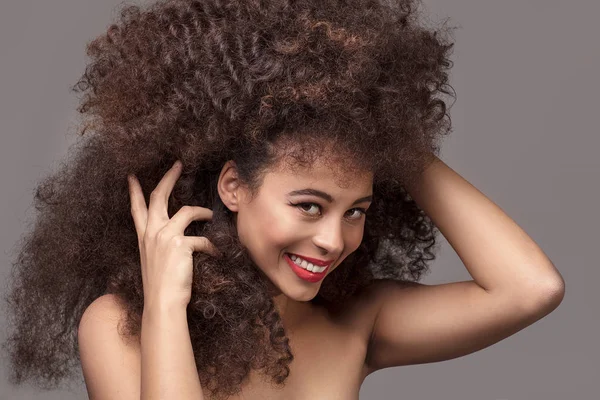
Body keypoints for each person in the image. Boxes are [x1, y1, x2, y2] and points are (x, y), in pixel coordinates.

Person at [2, 0, 565, 399]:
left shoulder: (354, 322)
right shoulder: (120, 324)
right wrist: (168, 309)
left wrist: (390, 131)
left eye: (356, 212)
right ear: (233, 187)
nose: (333, 239)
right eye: (310, 205)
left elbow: (530, 289)